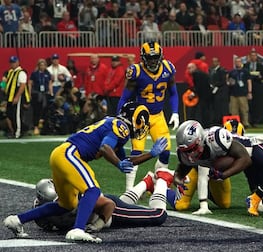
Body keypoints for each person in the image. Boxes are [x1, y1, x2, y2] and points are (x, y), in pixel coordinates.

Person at [3, 102, 167, 243]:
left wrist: (151, 154)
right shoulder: (121, 127)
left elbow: (125, 160)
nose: (143, 126)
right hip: (71, 155)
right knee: (93, 190)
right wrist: (118, 164)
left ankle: (17, 220)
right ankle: (77, 229)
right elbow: (105, 148)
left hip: (61, 154)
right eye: (142, 121)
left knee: (66, 205)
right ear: (135, 118)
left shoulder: (115, 125)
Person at [117, 41, 179, 192]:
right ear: (143, 57)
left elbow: (173, 93)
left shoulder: (168, 69)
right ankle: (129, 190)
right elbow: (125, 97)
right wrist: (119, 116)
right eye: (149, 58)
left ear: (161, 56)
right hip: (140, 118)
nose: (152, 61)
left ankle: (158, 184)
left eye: (155, 57)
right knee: (136, 153)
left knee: (165, 153)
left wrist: (175, 112)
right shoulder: (136, 71)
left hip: (158, 116)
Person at [31, 178, 168, 232]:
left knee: (158, 216)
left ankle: (163, 179)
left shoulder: (78, 198)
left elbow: (109, 204)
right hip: (104, 207)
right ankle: (147, 182)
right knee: (127, 205)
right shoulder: (42, 214)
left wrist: (99, 224)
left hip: (108, 212)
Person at [4, 56, 30, 139]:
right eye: (11, 62)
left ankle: (18, 132)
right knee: (9, 114)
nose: (12, 64)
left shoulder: (21, 73)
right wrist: (2, 86)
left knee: (17, 115)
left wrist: (17, 97)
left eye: (14, 62)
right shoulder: (10, 72)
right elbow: (5, 83)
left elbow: (22, 86)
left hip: (16, 97)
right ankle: (13, 130)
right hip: (9, 97)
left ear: (18, 62)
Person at [29, 58, 53, 135]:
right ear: (38, 66)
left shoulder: (47, 73)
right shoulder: (34, 74)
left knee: (45, 111)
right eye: (41, 65)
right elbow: (30, 84)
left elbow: (49, 83)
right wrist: (29, 93)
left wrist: (51, 93)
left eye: (44, 65)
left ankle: (44, 127)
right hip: (37, 93)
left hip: (45, 93)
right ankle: (35, 126)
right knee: (36, 111)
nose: (42, 66)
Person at [243, 49, 263, 127]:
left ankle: (255, 121)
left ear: (256, 57)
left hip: (257, 86)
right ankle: (248, 121)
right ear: (249, 57)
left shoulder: (260, 65)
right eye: (252, 56)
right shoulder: (246, 65)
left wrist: (260, 76)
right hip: (249, 87)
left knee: (256, 104)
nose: (253, 57)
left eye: (254, 55)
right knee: (248, 105)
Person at [227, 57, 252, 128]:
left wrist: (249, 92)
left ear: (241, 62)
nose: (238, 63)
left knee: (244, 110)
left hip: (243, 94)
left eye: (239, 61)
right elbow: (228, 81)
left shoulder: (245, 71)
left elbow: (249, 82)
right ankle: (235, 124)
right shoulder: (232, 72)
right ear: (235, 63)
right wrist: (229, 82)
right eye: (236, 62)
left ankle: (246, 123)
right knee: (233, 110)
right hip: (233, 94)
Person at [209, 57, 229, 125]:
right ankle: (215, 120)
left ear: (218, 62)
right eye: (213, 61)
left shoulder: (222, 70)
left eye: (215, 61)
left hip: (221, 92)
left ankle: (221, 120)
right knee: (215, 107)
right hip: (213, 92)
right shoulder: (211, 70)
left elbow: (223, 81)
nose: (213, 63)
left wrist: (215, 85)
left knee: (221, 107)